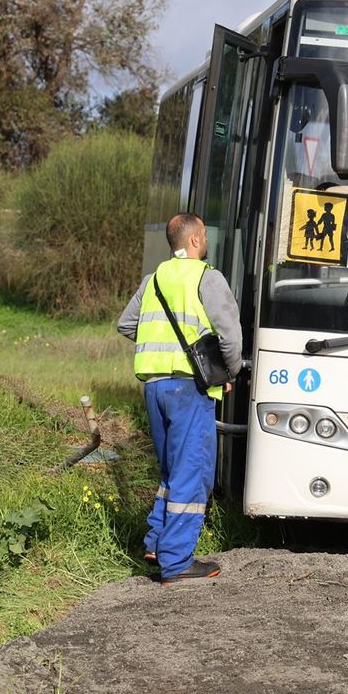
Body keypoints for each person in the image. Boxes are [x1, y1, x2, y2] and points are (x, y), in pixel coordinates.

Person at [117, 213, 244, 584]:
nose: (205, 241)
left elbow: (127, 324)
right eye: (204, 235)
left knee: (172, 470)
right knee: (192, 471)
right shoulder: (208, 277)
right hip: (189, 389)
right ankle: (176, 561)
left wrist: (162, 352)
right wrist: (229, 372)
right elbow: (230, 337)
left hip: (154, 386)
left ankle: (157, 540)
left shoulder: (153, 279)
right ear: (194, 240)